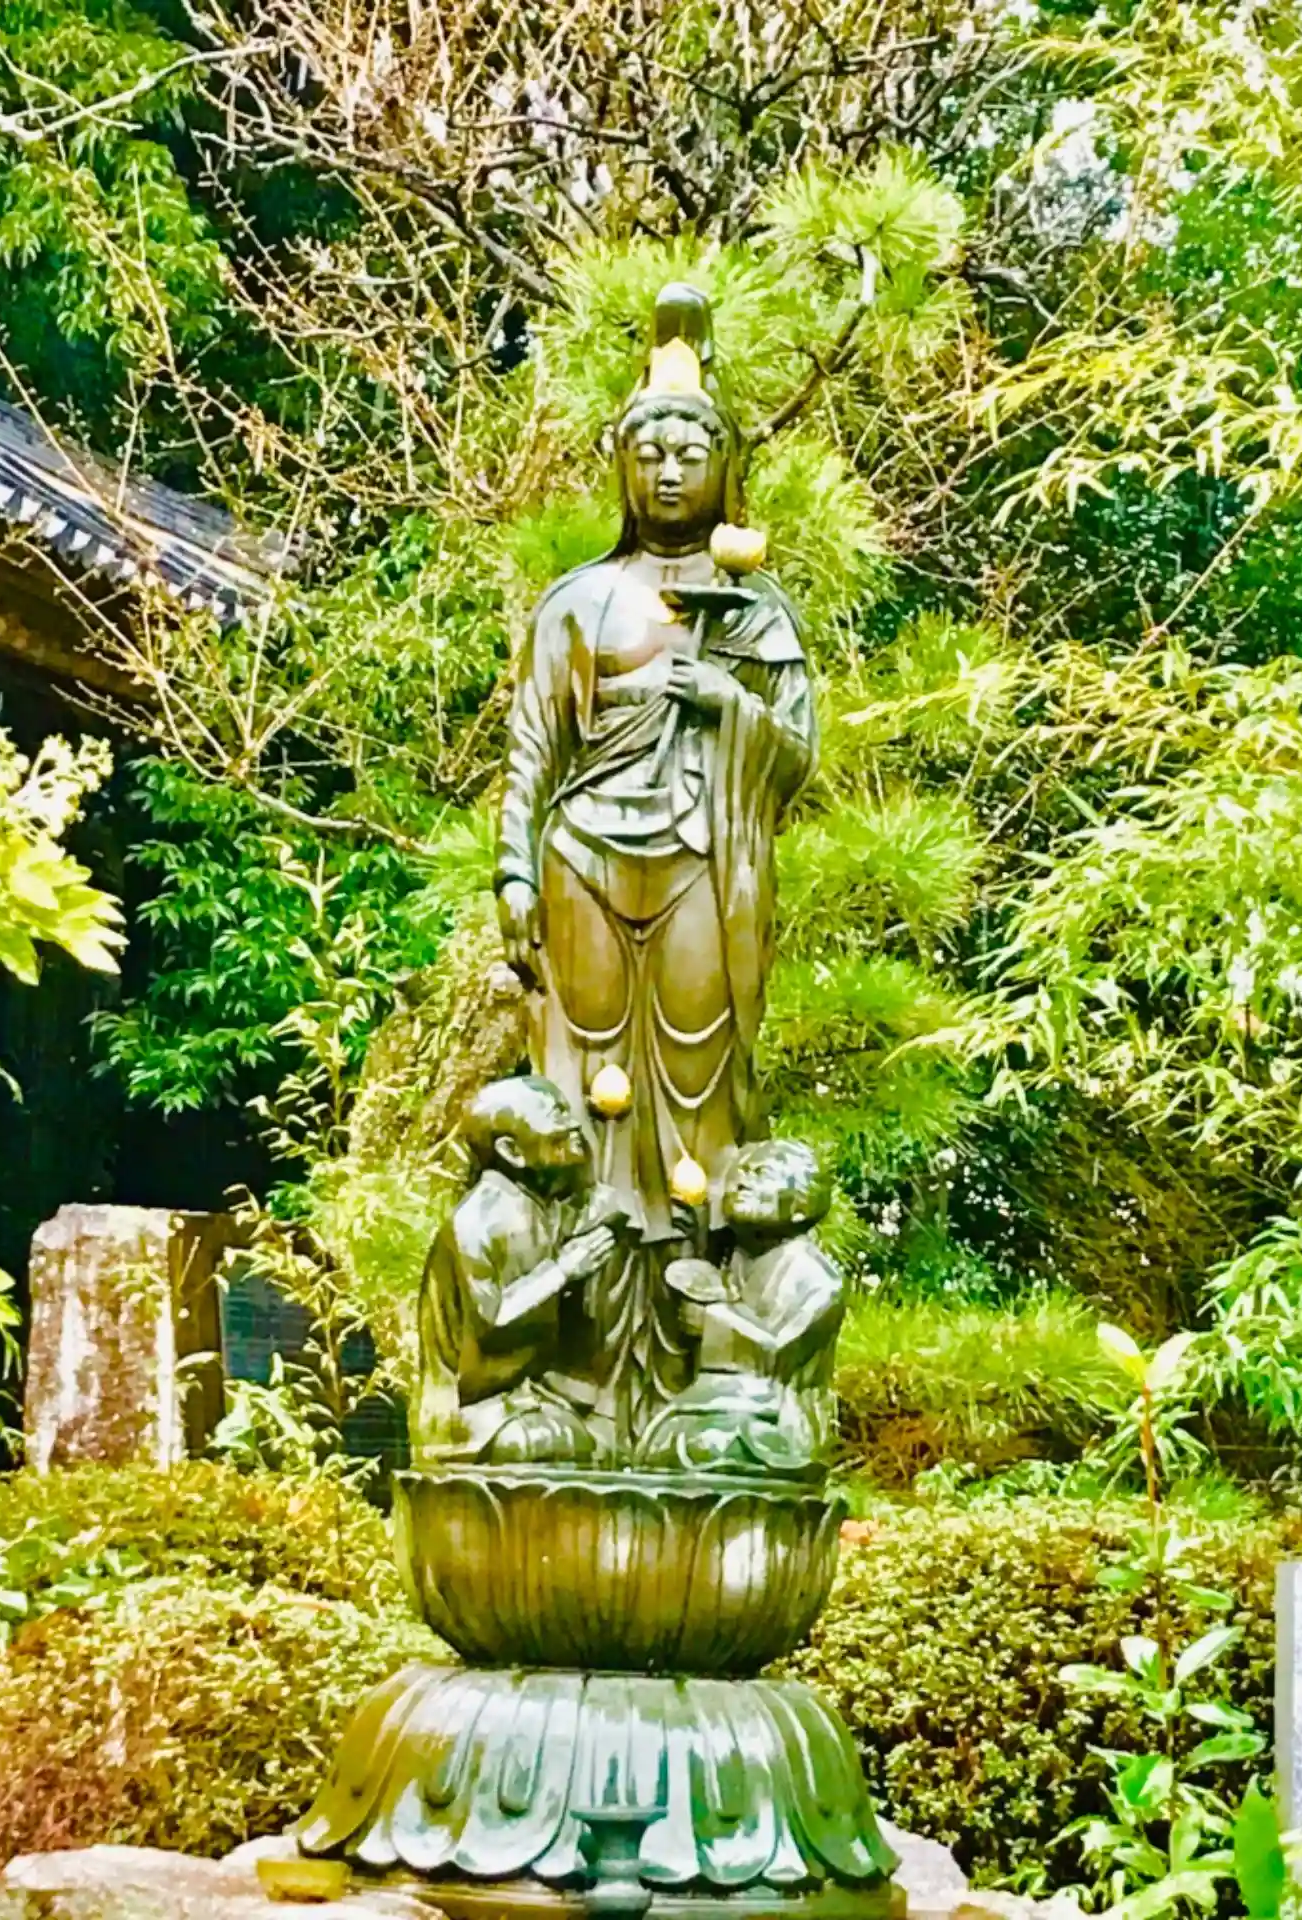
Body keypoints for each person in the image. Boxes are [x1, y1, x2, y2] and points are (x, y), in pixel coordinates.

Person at [495, 284, 816, 1249]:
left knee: (700, 1063)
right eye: (649, 456)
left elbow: (796, 753)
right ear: (622, 469)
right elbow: (532, 742)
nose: (669, 474)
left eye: (690, 455)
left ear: (723, 469)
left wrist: (729, 705)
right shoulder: (579, 600)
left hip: (700, 861)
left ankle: (698, 1260)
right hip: (584, 855)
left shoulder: (755, 608)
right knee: (579, 1062)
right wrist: (513, 873)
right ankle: (582, 1260)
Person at [414, 1075, 626, 1465]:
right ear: (511, 1150)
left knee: (601, 1443)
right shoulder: (475, 1222)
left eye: (567, 1110)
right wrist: (562, 1270)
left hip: (530, 1394)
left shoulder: (538, 1204)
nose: (572, 1125)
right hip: (474, 1407)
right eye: (555, 1115)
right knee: (538, 1445)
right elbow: (491, 1321)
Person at [636, 1139, 843, 1476]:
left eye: (761, 1174)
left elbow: (778, 1354)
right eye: (738, 1174)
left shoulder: (817, 1279)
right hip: (720, 1400)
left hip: (774, 1414)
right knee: (667, 1438)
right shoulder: (735, 1258)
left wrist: (713, 1318)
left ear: (802, 1204)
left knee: (714, 1444)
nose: (742, 1182)